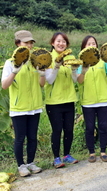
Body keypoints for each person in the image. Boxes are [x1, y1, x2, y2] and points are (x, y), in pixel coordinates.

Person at [1, 30, 44, 177]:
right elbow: (4, 85)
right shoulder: (10, 63)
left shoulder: (35, 61)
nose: (29, 45)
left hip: (35, 106)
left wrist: (42, 72)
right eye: (26, 42)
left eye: (31, 42)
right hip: (19, 108)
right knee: (20, 138)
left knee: (32, 136)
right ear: (18, 43)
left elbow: (42, 84)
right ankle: (21, 166)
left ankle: (31, 163)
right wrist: (14, 71)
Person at [77, 35, 107, 163]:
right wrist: (84, 70)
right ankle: (91, 152)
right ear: (84, 47)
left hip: (103, 100)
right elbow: (79, 81)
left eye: (93, 43)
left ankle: (103, 151)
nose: (91, 46)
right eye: (89, 44)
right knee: (89, 127)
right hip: (88, 101)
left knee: (103, 126)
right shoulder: (81, 62)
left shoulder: (103, 62)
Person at [44, 32, 78, 168]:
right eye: (58, 41)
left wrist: (75, 70)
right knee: (57, 130)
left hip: (69, 99)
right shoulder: (46, 57)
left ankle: (67, 155)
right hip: (54, 101)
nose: (61, 43)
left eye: (64, 41)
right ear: (52, 43)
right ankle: (56, 158)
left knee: (69, 129)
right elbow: (49, 80)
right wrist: (57, 66)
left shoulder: (71, 58)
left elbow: (75, 80)